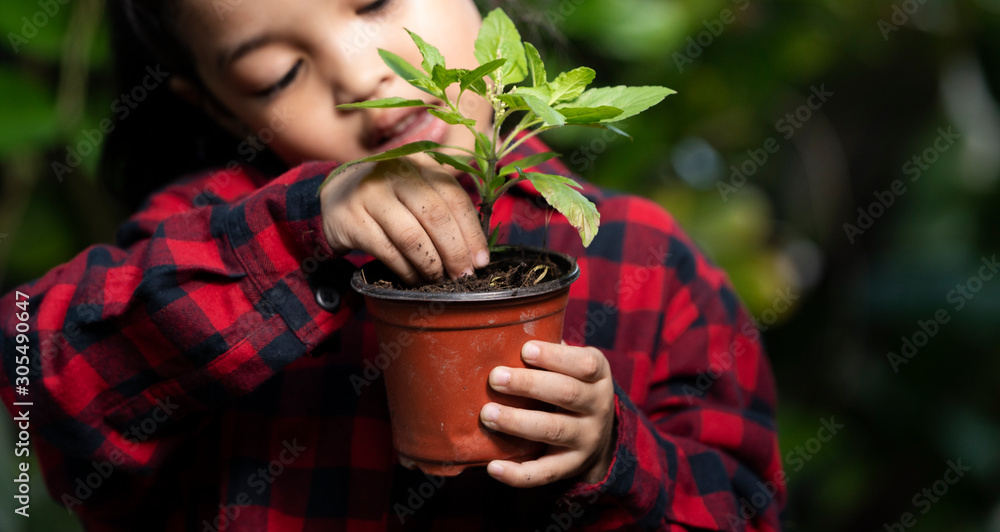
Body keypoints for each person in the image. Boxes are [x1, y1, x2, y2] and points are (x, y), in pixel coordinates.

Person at [0, 0, 786, 529]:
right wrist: (298, 231)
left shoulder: (640, 257)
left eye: (373, 0)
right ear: (218, 106)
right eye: (276, 73)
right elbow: (37, 365)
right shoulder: (205, 233)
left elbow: (744, 510)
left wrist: (612, 455)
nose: (359, 75)